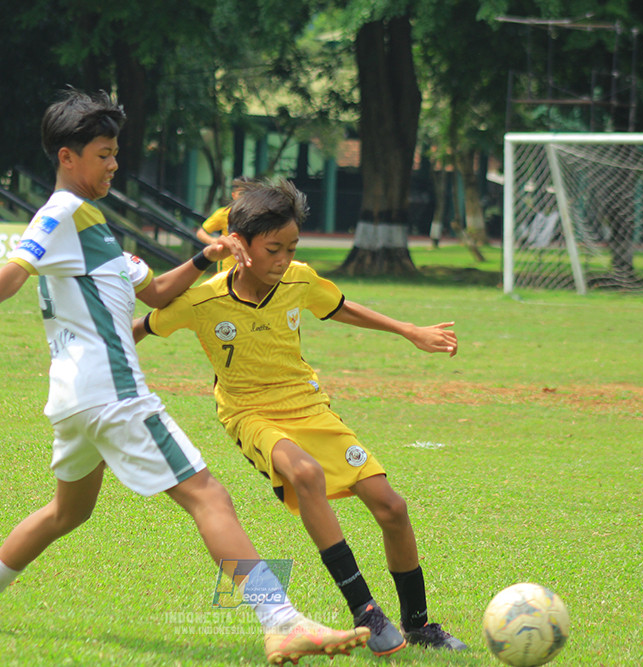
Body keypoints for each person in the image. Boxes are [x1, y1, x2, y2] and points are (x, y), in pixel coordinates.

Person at [0, 91, 369, 666]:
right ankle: (282, 621)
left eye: (116, 153)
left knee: (67, 512)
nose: (114, 164)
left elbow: (158, 292)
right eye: (103, 154)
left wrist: (206, 256)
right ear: (68, 157)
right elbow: (16, 269)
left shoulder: (94, 229)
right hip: (112, 391)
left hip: (73, 399)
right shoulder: (60, 213)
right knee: (207, 495)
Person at [135, 178, 468, 657]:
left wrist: (408, 330)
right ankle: (365, 612)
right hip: (249, 413)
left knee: (392, 507)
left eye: (291, 248)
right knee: (306, 474)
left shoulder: (299, 280)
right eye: (274, 249)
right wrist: (97, 352)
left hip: (307, 406)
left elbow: (339, 308)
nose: (284, 259)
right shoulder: (203, 300)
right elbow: (145, 325)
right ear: (239, 245)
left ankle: (418, 624)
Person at [196, 176, 255, 272]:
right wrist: (214, 241)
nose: (244, 197)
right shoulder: (223, 213)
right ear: (234, 195)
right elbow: (201, 232)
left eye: (248, 194)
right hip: (227, 269)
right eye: (241, 193)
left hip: (251, 266)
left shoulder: (259, 215)